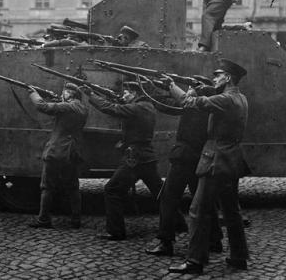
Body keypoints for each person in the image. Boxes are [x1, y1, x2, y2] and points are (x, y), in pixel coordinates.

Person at [167, 59, 250, 275]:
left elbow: (190, 102)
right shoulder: (239, 97)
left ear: (228, 78)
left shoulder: (225, 99)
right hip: (231, 160)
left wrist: (171, 87)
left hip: (215, 160)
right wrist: (202, 89)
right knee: (232, 212)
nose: (214, 78)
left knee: (198, 210)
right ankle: (239, 257)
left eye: (218, 75)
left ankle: (195, 261)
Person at [145, 75, 223, 257]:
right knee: (204, 201)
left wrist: (154, 87)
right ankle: (215, 240)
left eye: (191, 88)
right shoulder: (204, 103)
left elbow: (171, 103)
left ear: (200, 89)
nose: (187, 91)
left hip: (184, 157)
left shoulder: (196, 103)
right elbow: (167, 103)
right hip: (198, 158)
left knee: (168, 198)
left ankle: (165, 242)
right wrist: (149, 87)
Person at [82, 81, 162, 240]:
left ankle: (115, 231)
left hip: (135, 158)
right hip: (147, 156)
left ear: (135, 93)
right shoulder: (148, 106)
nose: (123, 94)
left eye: (126, 92)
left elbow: (109, 109)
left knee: (112, 190)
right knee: (161, 193)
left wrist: (91, 94)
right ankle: (179, 224)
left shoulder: (137, 108)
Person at [28, 83, 89, 229]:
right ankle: (76, 220)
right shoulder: (82, 108)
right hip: (72, 152)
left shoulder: (67, 107)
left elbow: (42, 106)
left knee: (47, 187)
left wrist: (33, 92)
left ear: (70, 94)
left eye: (65, 92)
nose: (62, 94)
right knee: (73, 187)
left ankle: (43, 220)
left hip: (57, 152)